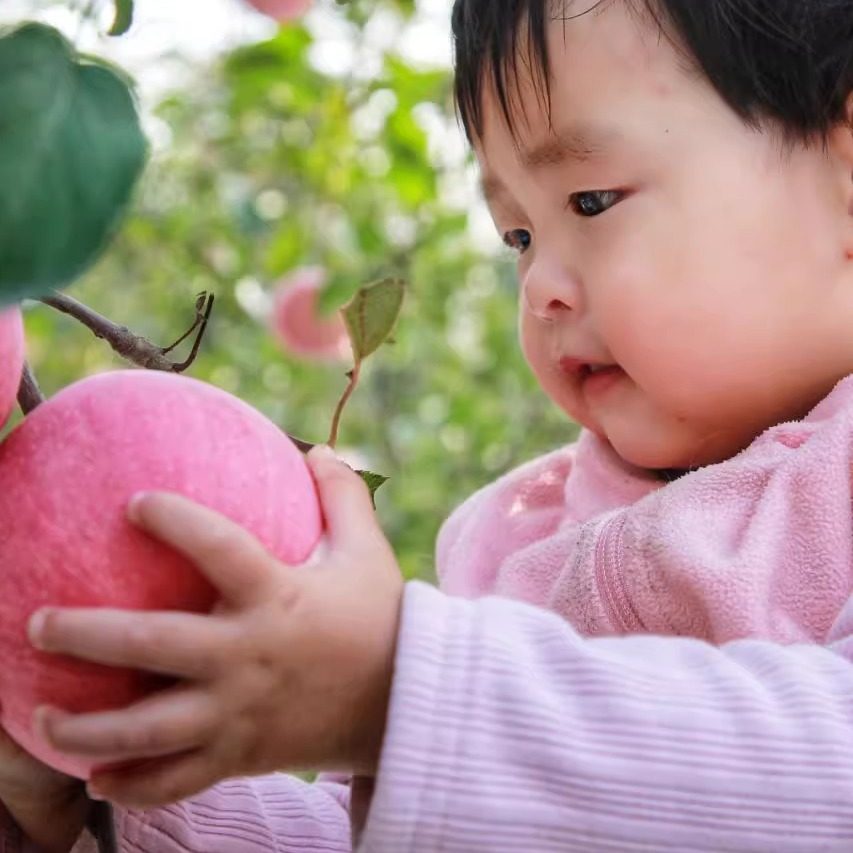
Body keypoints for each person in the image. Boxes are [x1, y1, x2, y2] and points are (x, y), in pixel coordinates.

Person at [4, 0, 853, 849]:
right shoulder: (509, 545)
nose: (539, 284)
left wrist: (400, 690)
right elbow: (368, 832)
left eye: (591, 200)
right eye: (517, 234)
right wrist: (109, 809)